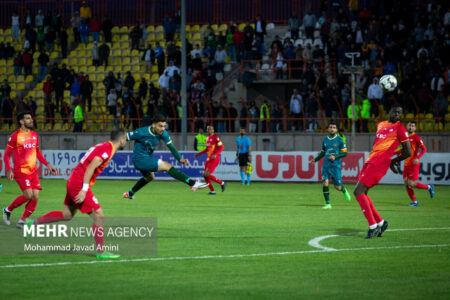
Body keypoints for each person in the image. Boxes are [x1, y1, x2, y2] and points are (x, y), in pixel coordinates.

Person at [29, 128, 127, 259]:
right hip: (79, 184)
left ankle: (33, 223)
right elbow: (90, 167)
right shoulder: (107, 150)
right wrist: (84, 189)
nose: (126, 141)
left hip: (74, 180)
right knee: (99, 215)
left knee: (67, 215)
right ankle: (101, 252)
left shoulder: (104, 146)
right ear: (121, 140)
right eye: (126, 139)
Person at [353, 104, 411, 239]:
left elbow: (408, 151)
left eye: (399, 113)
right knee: (363, 194)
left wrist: (392, 161)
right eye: (395, 112)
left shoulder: (400, 128)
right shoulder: (380, 124)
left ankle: (373, 226)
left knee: (358, 191)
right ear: (389, 112)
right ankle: (381, 222)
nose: (397, 115)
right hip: (370, 160)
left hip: (379, 163)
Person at [123, 114, 208, 199]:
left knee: (150, 177)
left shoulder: (163, 133)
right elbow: (123, 137)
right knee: (167, 166)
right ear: (153, 125)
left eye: (164, 126)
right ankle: (193, 183)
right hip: (139, 159)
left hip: (147, 158)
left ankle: (130, 193)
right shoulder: (141, 132)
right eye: (160, 126)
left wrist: (179, 159)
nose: (163, 128)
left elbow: (171, 146)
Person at [2, 112, 57, 228]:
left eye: (31, 118)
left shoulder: (34, 135)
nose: (31, 120)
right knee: (28, 195)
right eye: (27, 118)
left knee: (35, 196)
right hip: (21, 171)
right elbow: (6, 155)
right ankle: (7, 209)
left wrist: (48, 165)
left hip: (33, 172)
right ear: (21, 122)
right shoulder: (15, 136)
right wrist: (8, 169)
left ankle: (22, 221)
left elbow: (37, 152)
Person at [309, 122, 352, 209]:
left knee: (337, 187)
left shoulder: (340, 140)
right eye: (330, 127)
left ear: (336, 130)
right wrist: (315, 160)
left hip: (335, 166)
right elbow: (323, 153)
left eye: (334, 127)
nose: (332, 129)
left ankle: (343, 190)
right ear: (328, 129)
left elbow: (345, 153)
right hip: (326, 166)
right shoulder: (325, 139)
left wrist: (335, 157)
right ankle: (328, 204)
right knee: (325, 183)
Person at [396, 121, 434, 206]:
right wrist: (393, 153)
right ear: (407, 126)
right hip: (406, 164)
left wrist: (418, 157)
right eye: (409, 125)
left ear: (415, 128)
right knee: (406, 184)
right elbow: (403, 150)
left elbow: (424, 149)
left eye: (412, 126)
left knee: (411, 183)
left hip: (413, 164)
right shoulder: (404, 138)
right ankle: (415, 202)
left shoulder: (416, 137)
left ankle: (429, 187)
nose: (410, 127)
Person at [194, 125, 226, 195]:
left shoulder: (216, 138)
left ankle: (222, 183)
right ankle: (212, 191)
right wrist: (198, 154)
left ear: (213, 130)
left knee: (207, 174)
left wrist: (216, 154)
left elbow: (222, 147)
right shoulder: (207, 138)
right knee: (205, 175)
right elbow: (207, 149)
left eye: (211, 129)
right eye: (208, 129)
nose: (209, 130)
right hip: (208, 159)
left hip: (215, 158)